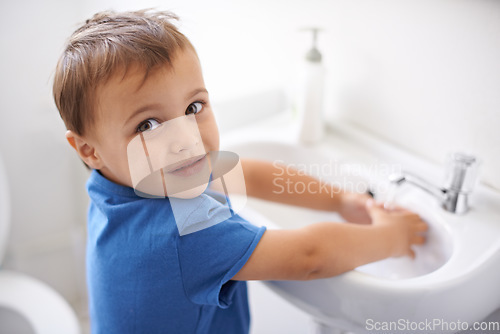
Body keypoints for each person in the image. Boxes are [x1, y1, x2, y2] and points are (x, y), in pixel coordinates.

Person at [53, 9, 428, 334]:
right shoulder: (181, 232)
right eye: (148, 126)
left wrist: (339, 199)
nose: (185, 139)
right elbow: (310, 258)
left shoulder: (119, 184)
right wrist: (391, 238)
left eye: (193, 108)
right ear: (89, 149)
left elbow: (247, 174)